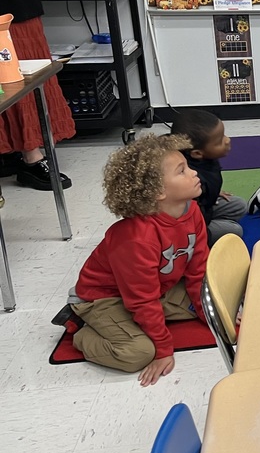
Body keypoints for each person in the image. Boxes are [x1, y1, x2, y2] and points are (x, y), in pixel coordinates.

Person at [50, 135, 207, 386]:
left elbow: (198, 270)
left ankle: (140, 322)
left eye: (187, 166)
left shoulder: (192, 210)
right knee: (139, 353)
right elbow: (142, 299)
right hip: (102, 298)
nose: (194, 172)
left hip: (153, 289)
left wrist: (208, 313)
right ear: (158, 191)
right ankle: (80, 328)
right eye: (182, 171)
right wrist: (164, 349)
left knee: (217, 303)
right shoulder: (137, 238)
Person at [0, 0, 74, 191]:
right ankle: (30, 159)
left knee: (32, 83)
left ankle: (25, 151)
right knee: (11, 86)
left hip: (24, 14)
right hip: (2, 22)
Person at [170, 109, 246, 245]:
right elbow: (186, 218)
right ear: (197, 153)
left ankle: (218, 223)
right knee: (235, 230)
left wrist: (214, 193)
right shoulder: (188, 178)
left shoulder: (198, 157)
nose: (228, 140)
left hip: (205, 207)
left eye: (224, 135)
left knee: (239, 205)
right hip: (192, 225)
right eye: (219, 141)